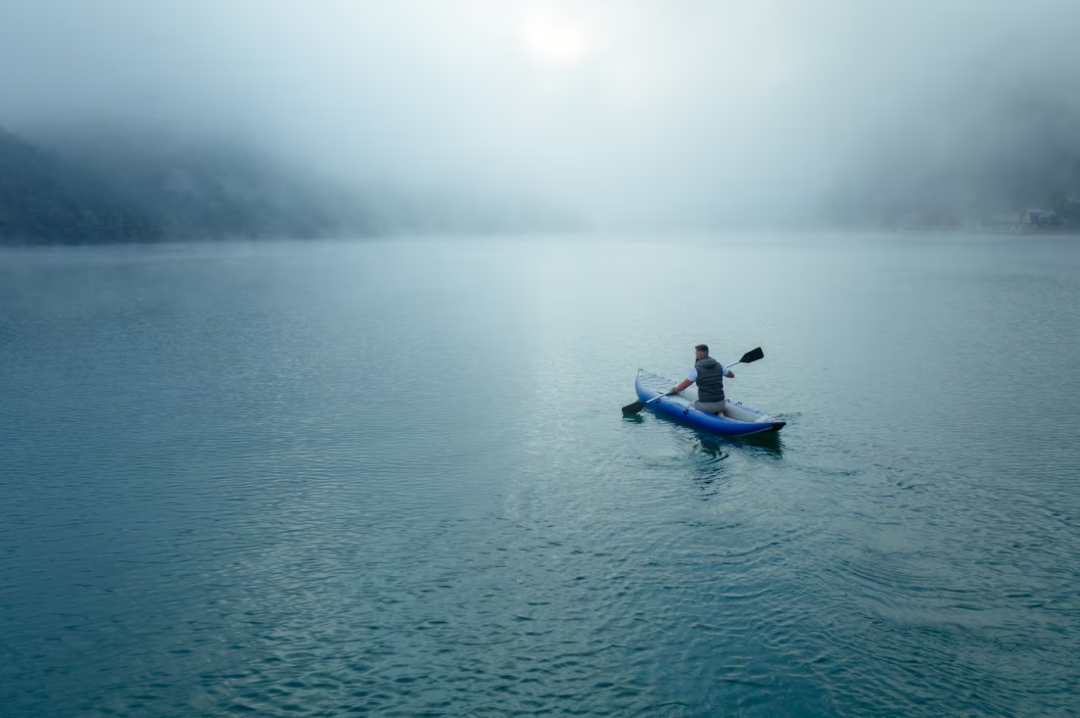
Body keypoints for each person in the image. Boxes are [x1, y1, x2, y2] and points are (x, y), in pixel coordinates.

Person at [670, 344, 735, 416]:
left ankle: (713, 414)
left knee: (691, 405)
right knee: (714, 405)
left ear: (699, 355)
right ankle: (720, 412)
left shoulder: (695, 369)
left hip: (707, 406)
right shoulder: (719, 365)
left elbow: (682, 387)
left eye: (695, 354)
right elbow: (732, 376)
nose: (695, 355)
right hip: (722, 404)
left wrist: (674, 390)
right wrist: (722, 370)